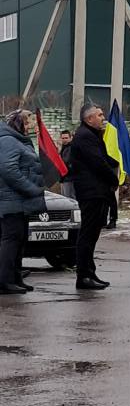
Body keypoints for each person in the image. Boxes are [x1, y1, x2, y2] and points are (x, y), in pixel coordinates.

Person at [70, 104, 120, 290]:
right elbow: (97, 162)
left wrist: (116, 163)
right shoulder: (84, 137)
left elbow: (104, 157)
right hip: (91, 192)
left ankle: (90, 272)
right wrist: (113, 178)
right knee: (87, 234)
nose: (102, 118)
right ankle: (83, 276)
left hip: (97, 191)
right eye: (99, 115)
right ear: (89, 119)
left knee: (93, 234)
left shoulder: (92, 135)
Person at [0, 110, 45, 295]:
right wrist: (30, 188)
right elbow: (8, 169)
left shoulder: (18, 140)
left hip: (20, 201)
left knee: (20, 240)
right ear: (17, 123)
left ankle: (16, 278)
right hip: (11, 200)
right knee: (11, 241)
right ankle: (4, 281)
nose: (30, 127)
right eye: (27, 123)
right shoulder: (8, 140)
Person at [59, 130, 76, 200]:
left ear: (70, 138)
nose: (64, 140)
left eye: (66, 138)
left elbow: (66, 162)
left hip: (69, 178)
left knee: (70, 199)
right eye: (63, 138)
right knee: (65, 199)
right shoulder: (64, 148)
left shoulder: (71, 148)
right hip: (64, 178)